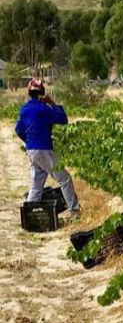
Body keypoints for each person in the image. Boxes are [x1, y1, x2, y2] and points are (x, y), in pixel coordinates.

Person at [14, 78, 80, 221]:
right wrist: (52, 103)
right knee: (64, 179)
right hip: (43, 149)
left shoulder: (24, 109)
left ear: (29, 92)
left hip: (31, 151)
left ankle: (29, 216)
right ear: (42, 92)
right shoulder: (44, 109)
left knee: (37, 185)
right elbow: (63, 119)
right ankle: (75, 212)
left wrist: (30, 142)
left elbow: (18, 130)